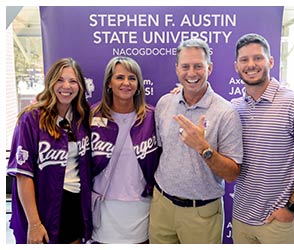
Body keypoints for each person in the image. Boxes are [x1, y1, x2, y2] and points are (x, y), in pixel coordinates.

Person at [149, 38, 243, 244]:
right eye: (185, 66)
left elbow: (232, 173)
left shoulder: (225, 113)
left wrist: (203, 147)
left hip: (201, 214)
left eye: (198, 66)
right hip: (161, 206)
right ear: (177, 69)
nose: (191, 73)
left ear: (209, 67)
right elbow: (162, 152)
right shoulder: (165, 103)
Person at [231, 33, 294, 244]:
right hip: (241, 221)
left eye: (257, 58)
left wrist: (291, 209)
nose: (251, 64)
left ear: (270, 61)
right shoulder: (234, 108)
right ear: (236, 66)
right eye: (244, 60)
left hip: (278, 225)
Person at [7, 58, 93, 244]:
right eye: (60, 80)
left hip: (75, 204)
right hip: (43, 205)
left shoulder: (81, 117)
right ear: (50, 82)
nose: (66, 86)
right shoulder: (30, 119)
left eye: (73, 81)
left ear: (80, 86)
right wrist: (34, 223)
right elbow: (23, 175)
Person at [90, 56, 160, 243]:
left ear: (138, 85)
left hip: (141, 206)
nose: (126, 83)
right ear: (109, 83)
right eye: (119, 77)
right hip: (103, 208)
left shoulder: (152, 117)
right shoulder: (91, 116)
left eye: (132, 78)